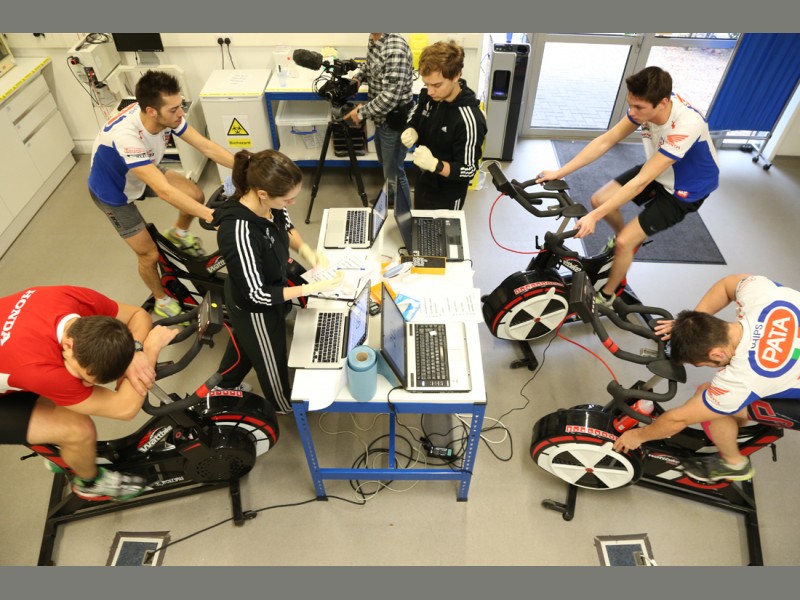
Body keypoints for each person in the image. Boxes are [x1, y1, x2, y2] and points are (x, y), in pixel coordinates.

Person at [536, 66, 720, 307]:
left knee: (624, 242)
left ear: (663, 103)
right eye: (630, 104)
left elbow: (641, 182)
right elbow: (606, 141)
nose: (632, 112)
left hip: (686, 188)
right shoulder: (647, 105)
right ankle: (626, 241)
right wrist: (560, 172)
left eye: (638, 108)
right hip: (661, 167)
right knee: (600, 200)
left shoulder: (686, 125)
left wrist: (594, 217)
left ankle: (608, 295)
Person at [613, 274, 800, 482]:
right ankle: (734, 425)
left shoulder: (744, 377)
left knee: (712, 403)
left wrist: (638, 436)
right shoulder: (762, 295)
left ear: (717, 354)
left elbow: (679, 419)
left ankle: (734, 465)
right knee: (725, 401)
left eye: (702, 364)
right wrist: (690, 325)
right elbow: (727, 286)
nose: (705, 367)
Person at [0, 285, 178, 500]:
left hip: (15, 359)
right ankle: (89, 484)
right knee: (77, 430)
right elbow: (125, 408)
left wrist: (136, 349)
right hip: (21, 363)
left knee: (67, 399)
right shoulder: (41, 371)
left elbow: (137, 315)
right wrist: (150, 349)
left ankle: (69, 453)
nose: (84, 383)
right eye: (82, 375)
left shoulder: (73, 299)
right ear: (69, 345)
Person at [88, 69, 236, 318]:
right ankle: (162, 300)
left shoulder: (168, 117)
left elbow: (206, 147)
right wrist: (211, 216)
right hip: (113, 191)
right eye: (174, 109)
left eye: (180, 106)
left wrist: (247, 168)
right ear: (151, 111)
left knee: (194, 195)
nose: (181, 114)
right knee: (149, 254)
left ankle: (178, 233)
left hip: (142, 168)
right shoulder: (126, 137)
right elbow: (164, 191)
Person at [213, 149, 343, 414]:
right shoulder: (239, 233)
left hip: (269, 284)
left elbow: (286, 226)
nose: (292, 203)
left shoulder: (271, 205)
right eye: (287, 199)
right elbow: (257, 294)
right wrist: (309, 288)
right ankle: (283, 406)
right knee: (271, 358)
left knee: (248, 346)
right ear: (262, 193)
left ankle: (223, 386)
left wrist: (306, 250)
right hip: (255, 308)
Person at [400, 40, 487, 211]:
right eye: (426, 84)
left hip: (446, 196)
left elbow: (468, 170)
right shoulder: (429, 96)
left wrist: (436, 165)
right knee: (421, 224)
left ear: (456, 76)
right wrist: (411, 129)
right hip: (423, 182)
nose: (430, 91)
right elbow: (415, 117)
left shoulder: (469, 119)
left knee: (440, 229)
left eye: (437, 85)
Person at [344, 33, 415, 210]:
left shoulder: (395, 48)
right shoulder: (374, 38)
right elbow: (370, 66)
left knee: (395, 171)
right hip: (381, 119)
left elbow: (390, 97)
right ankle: (391, 198)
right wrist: (358, 78)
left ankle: (405, 215)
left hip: (394, 122)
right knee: (386, 164)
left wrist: (360, 113)